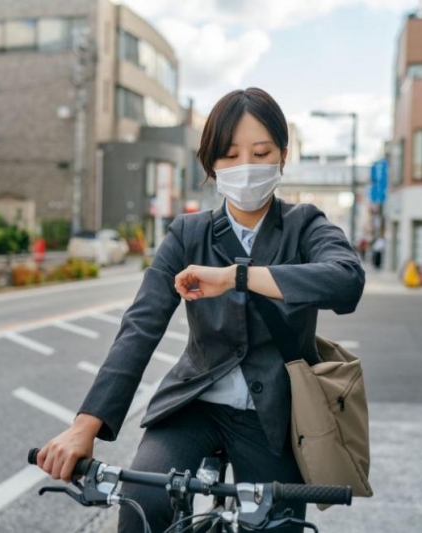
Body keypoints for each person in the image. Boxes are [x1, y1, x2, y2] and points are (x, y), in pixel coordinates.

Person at [35, 87, 365, 532]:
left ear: (283, 157)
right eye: (229, 155)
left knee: (277, 525)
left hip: (274, 418)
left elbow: (346, 282)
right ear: (210, 165)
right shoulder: (188, 233)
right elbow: (140, 327)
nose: (245, 166)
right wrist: (84, 426)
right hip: (195, 405)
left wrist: (236, 276)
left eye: (261, 151)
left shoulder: (305, 226)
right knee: (143, 504)